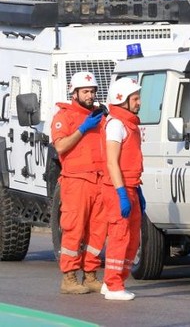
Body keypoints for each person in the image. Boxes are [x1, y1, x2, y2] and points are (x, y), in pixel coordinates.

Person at [51, 71, 107, 295]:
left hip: (99, 180)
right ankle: (69, 277)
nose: (90, 95)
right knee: (73, 229)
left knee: (97, 230)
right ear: (74, 93)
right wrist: (82, 129)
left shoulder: (100, 116)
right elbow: (61, 147)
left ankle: (91, 275)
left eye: (92, 91)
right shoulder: (64, 117)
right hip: (76, 181)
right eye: (85, 91)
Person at [101, 77, 144, 301]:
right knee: (120, 236)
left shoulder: (129, 123)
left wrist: (137, 192)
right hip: (118, 188)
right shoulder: (116, 124)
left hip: (131, 186)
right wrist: (121, 194)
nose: (139, 102)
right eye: (135, 98)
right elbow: (112, 162)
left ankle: (117, 280)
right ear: (122, 100)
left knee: (133, 237)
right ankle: (113, 284)